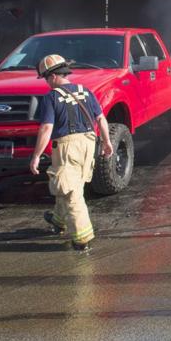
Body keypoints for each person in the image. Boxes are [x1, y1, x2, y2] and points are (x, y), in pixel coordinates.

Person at [29, 53, 113, 252]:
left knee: (71, 193)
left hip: (67, 147)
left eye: (47, 79)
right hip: (88, 144)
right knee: (68, 183)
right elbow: (100, 119)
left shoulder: (52, 96)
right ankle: (59, 220)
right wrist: (107, 142)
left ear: (53, 76)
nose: (47, 83)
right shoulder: (86, 91)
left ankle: (83, 238)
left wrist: (36, 155)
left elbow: (46, 128)